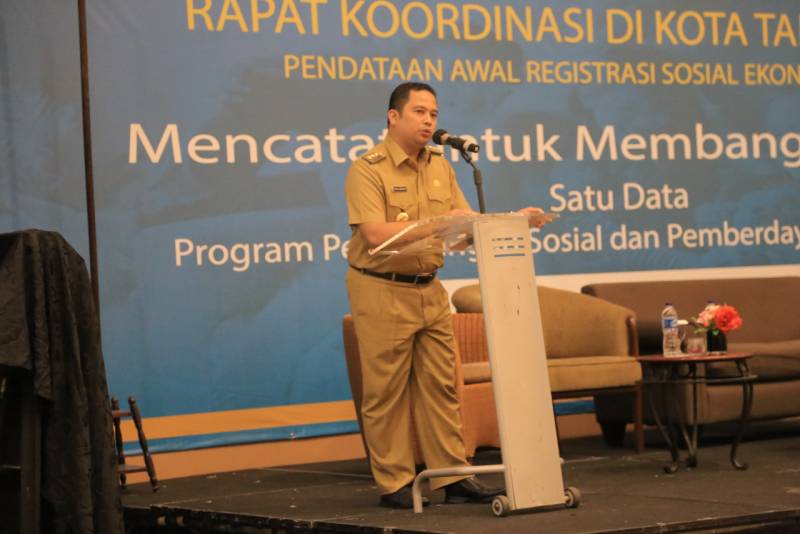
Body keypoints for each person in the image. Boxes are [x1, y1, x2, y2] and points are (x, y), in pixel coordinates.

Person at [344, 82, 543, 509]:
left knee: (442, 386)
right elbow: (374, 234)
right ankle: (395, 482)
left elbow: (463, 225)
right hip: (381, 288)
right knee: (386, 393)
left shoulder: (441, 164)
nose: (429, 121)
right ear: (393, 117)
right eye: (419, 112)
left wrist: (512, 222)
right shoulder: (368, 168)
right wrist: (437, 223)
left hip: (429, 288)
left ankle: (453, 476)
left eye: (433, 113)